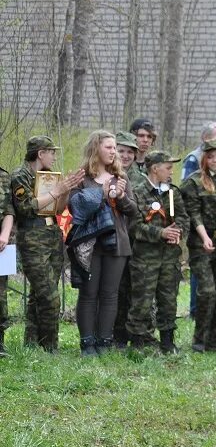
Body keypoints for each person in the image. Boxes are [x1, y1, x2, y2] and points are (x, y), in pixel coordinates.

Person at [68, 130, 140, 357]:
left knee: (110, 294)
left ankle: (104, 342)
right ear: (95, 149)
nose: (114, 151)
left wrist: (121, 197)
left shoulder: (121, 177)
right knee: (88, 294)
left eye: (114, 147)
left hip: (117, 243)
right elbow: (76, 207)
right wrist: (101, 190)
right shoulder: (82, 178)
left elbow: (134, 211)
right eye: (109, 147)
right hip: (89, 244)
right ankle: (87, 344)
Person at [10, 136, 83, 352]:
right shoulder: (20, 176)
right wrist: (57, 191)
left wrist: (67, 190)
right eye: (51, 152)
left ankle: (32, 344)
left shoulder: (48, 177)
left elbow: (58, 210)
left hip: (51, 235)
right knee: (50, 297)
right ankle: (51, 348)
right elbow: (25, 208)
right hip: (32, 238)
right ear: (40, 153)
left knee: (38, 294)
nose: (54, 156)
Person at [127, 150, 188, 353]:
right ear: (155, 168)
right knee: (142, 301)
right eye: (168, 167)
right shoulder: (137, 192)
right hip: (145, 258)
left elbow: (183, 217)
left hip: (169, 257)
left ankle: (167, 342)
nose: (171, 172)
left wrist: (176, 231)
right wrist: (160, 233)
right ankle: (138, 341)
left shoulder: (172, 192)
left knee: (168, 299)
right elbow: (134, 227)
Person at [180, 138, 216, 352]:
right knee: (207, 291)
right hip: (201, 243)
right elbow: (192, 212)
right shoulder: (194, 181)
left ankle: (214, 342)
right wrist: (204, 238)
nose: (214, 160)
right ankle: (199, 340)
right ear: (205, 158)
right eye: (210, 156)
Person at [113, 131, 144, 348]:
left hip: (136, 241)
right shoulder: (106, 173)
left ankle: (133, 333)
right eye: (121, 151)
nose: (125, 156)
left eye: (129, 152)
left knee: (134, 289)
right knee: (115, 289)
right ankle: (115, 333)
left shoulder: (141, 179)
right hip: (112, 241)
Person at [0, 164, 13, 356]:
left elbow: (9, 211)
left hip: (1, 242)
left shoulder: (4, 176)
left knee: (1, 296)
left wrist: (4, 234)